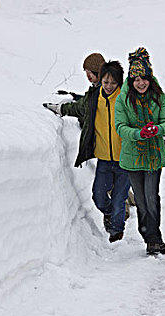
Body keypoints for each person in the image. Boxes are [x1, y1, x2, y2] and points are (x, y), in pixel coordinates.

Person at [48, 60, 130, 243]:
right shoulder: (95, 98)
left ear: (120, 83)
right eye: (106, 82)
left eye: (113, 83)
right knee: (99, 196)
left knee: (119, 200)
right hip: (104, 159)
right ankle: (109, 213)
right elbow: (77, 108)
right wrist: (58, 108)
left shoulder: (126, 99)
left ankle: (116, 233)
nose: (108, 86)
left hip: (126, 159)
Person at [114, 47, 165, 255]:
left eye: (144, 78)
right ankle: (149, 236)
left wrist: (157, 129)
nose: (141, 83)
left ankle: (154, 238)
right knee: (140, 199)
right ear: (131, 80)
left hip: (153, 156)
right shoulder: (123, 100)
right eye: (136, 79)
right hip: (133, 157)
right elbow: (120, 127)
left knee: (151, 196)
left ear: (150, 78)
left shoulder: (158, 97)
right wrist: (139, 133)